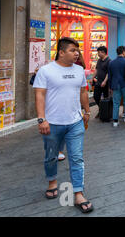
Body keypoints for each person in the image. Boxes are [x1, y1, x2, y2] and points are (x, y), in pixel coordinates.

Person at [33, 37, 93, 214]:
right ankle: (52, 181)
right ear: (61, 52)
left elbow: (83, 91)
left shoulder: (80, 70)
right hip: (52, 124)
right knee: (51, 156)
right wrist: (41, 119)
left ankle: (78, 193)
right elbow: (40, 95)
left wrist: (87, 111)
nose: (77, 54)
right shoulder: (46, 71)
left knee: (77, 158)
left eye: (77, 50)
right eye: (73, 50)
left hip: (75, 122)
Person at [108, 46, 125, 128]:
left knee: (116, 103)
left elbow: (110, 76)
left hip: (115, 85)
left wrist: (110, 87)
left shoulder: (111, 63)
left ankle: (115, 121)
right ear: (123, 52)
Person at [92, 46, 111, 117]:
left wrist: (105, 81)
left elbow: (108, 73)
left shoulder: (109, 60)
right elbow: (96, 69)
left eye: (99, 52)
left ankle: (105, 113)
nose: (98, 54)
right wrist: (92, 77)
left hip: (105, 83)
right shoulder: (99, 60)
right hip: (98, 82)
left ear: (103, 52)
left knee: (106, 97)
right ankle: (101, 109)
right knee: (96, 96)